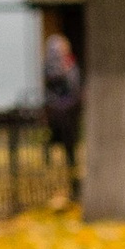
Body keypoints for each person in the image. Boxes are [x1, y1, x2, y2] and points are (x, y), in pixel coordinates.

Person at [41, 25, 83, 199]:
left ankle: (74, 184)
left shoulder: (70, 64)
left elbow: (74, 85)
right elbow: (53, 80)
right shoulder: (52, 67)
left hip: (70, 110)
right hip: (59, 111)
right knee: (59, 141)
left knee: (70, 147)